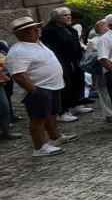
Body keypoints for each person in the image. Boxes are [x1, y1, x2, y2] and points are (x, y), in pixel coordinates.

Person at [6, 17, 77, 156]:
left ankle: (54, 137)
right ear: (26, 32)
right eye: (35, 28)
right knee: (38, 118)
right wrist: (34, 91)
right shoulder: (18, 51)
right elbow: (19, 75)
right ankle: (39, 148)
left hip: (51, 86)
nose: (39, 29)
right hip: (39, 88)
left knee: (51, 114)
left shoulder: (37, 43)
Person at [40, 7, 89, 123]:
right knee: (65, 85)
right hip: (62, 61)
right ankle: (62, 112)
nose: (69, 17)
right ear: (56, 18)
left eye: (69, 15)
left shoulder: (68, 28)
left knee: (78, 81)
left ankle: (76, 105)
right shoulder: (49, 31)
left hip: (74, 60)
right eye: (65, 15)